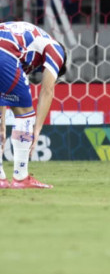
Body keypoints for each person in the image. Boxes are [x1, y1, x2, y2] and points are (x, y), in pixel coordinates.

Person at [0, 22, 67, 189]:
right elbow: (47, 90)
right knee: (25, 114)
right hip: (4, 52)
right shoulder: (56, 49)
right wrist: (36, 130)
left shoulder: (30, 44)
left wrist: (2, 124)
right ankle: (21, 178)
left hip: (4, 47)